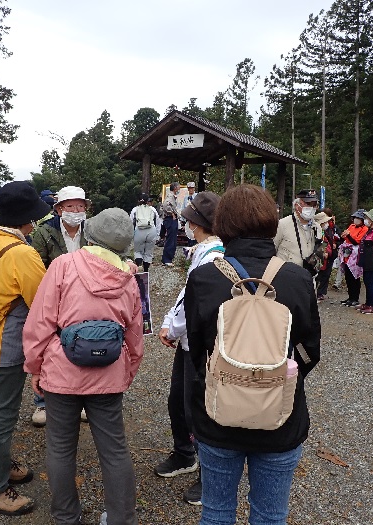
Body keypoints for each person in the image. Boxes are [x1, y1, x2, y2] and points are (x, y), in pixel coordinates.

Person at [185, 184, 321, 524]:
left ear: (222, 225)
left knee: (216, 511)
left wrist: (228, 377)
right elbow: (309, 351)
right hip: (281, 417)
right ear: (271, 223)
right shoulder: (297, 279)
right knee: (271, 514)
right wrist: (276, 378)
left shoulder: (203, 278)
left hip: (217, 413)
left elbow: (197, 346)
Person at [23, 208, 144, 525]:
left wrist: (35, 366)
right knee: (115, 450)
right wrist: (126, 372)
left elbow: (41, 321)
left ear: (90, 234)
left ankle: (66, 517)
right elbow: (134, 334)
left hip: (62, 371)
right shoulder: (129, 276)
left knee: (61, 448)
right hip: (109, 372)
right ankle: (121, 519)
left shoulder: (64, 265)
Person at [0, 181, 51, 516]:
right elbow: (43, 303)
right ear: (26, 220)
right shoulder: (22, 252)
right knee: (2, 417)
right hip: (7, 346)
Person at [156, 191, 223, 506]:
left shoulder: (214, 255)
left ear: (197, 222)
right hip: (187, 340)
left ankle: (208, 474)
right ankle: (184, 453)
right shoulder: (202, 250)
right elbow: (186, 292)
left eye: (189, 218)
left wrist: (173, 326)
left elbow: (197, 301)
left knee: (197, 407)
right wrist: (170, 319)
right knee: (178, 400)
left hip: (200, 343)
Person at [30, 185, 90, 426]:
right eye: (70, 206)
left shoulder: (92, 229)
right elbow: (36, 266)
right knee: (48, 345)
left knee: (85, 343)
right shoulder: (44, 232)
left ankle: (84, 399)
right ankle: (42, 402)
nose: (76, 210)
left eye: (80, 206)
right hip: (54, 296)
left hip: (87, 296)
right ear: (58, 209)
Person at [273, 189, 321, 269]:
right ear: (296, 205)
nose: (311, 208)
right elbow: (272, 250)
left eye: (314, 204)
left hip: (308, 277)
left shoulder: (317, 228)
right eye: (307, 204)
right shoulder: (282, 225)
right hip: (286, 276)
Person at [338, 210, 368, 307]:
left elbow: (356, 242)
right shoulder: (352, 226)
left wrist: (348, 235)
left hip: (356, 254)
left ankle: (355, 298)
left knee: (354, 277)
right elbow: (344, 237)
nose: (356, 220)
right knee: (347, 276)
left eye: (358, 218)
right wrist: (343, 236)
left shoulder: (364, 229)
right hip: (347, 253)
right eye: (355, 218)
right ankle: (350, 297)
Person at [130, 193, 160, 272]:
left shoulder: (135, 210)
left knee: (138, 251)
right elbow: (158, 222)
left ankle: (139, 266)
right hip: (151, 231)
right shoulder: (152, 209)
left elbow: (130, 223)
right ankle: (146, 270)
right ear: (147, 201)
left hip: (139, 231)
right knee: (148, 252)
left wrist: (131, 235)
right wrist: (157, 235)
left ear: (138, 200)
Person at [313, 212, 333, 300]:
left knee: (321, 277)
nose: (327, 224)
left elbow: (326, 244)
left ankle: (318, 294)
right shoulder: (315, 232)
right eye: (325, 222)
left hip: (322, 259)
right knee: (315, 277)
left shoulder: (322, 232)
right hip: (316, 259)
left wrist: (328, 251)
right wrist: (324, 252)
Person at [161, 182, 181, 267]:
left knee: (172, 239)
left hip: (172, 219)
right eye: (178, 187)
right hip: (170, 219)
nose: (179, 189)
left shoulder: (172, 196)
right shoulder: (170, 196)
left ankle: (169, 258)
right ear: (175, 188)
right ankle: (167, 259)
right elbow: (165, 205)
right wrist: (171, 213)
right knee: (171, 239)